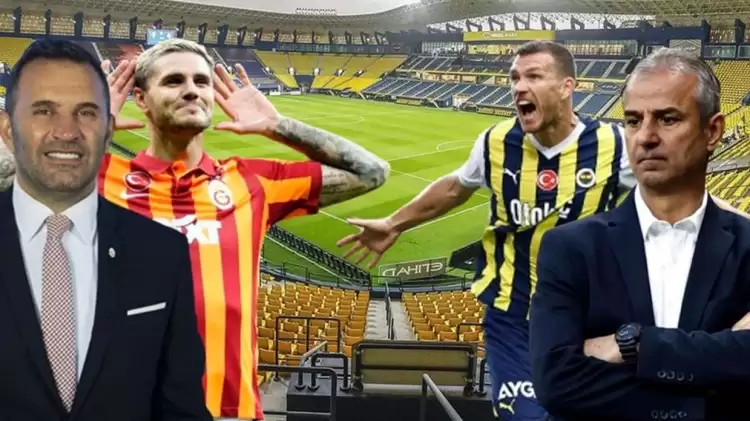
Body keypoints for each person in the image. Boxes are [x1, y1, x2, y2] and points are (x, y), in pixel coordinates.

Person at [335, 41, 748, 421]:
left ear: (567, 86)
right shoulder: (495, 141)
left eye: (533, 76)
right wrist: (393, 223)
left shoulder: (613, 145)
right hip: (512, 316)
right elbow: (455, 187)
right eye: (514, 77)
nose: (519, 87)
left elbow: (686, 198)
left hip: (587, 318)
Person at [96, 39, 389, 420]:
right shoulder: (97, 181)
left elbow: (372, 172)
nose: (192, 90)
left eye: (202, 81)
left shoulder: (250, 182)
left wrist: (278, 126)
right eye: (173, 81)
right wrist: (89, 127)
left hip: (229, 411)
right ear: (140, 98)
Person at [529, 48, 750, 421]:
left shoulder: (746, 247)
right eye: (633, 120)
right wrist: (708, 391)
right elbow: (556, 382)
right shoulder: (569, 248)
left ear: (712, 131)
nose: (645, 136)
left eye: (667, 119)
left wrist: (635, 346)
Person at [0, 39, 210, 421]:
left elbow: (182, 409)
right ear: (8, 129)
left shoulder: (162, 252)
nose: (67, 131)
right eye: (44, 111)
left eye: (86, 112)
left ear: (108, 129)